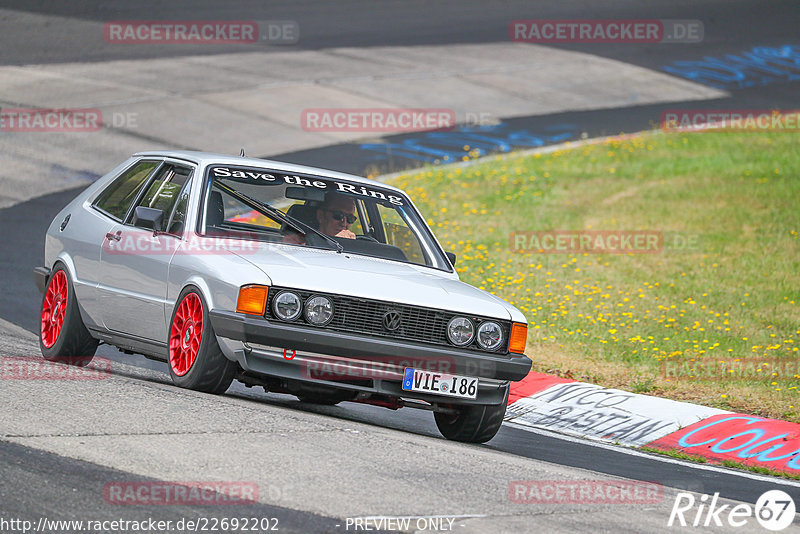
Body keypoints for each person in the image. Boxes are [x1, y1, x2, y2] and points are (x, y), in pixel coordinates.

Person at [282, 191, 357, 244]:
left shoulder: (356, 246)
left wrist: (349, 244)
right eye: (338, 215)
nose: (344, 223)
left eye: (350, 218)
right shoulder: (298, 241)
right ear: (321, 216)